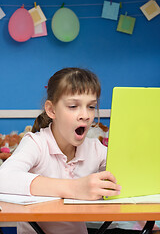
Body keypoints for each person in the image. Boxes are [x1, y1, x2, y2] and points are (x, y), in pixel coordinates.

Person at [0, 67, 121, 234]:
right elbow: (3, 178)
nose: (85, 115)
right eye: (73, 106)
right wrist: (74, 188)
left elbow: (127, 176)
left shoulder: (94, 148)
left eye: (91, 107)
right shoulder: (36, 143)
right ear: (51, 110)